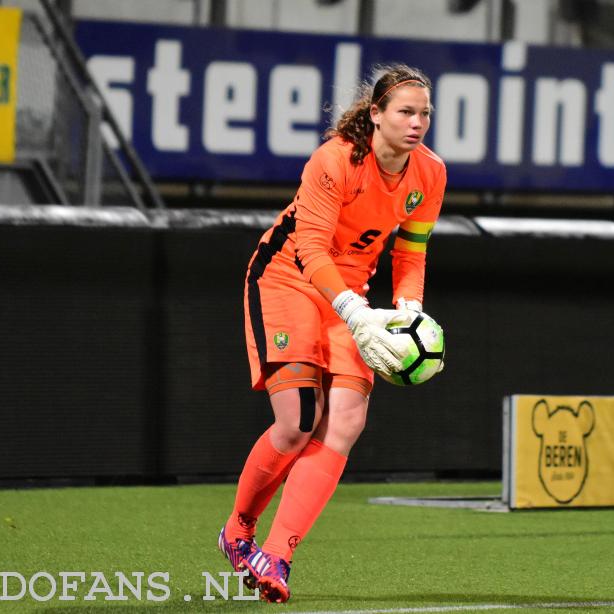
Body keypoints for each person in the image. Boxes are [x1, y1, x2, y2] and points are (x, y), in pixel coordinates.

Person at [217, 63, 447, 603]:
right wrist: (356, 312)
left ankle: (276, 555)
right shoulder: (335, 159)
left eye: (425, 114)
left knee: (345, 420)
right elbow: (309, 249)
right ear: (376, 115)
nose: (417, 123)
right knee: (298, 422)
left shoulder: (430, 173)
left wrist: (407, 313)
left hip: (352, 296)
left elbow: (411, 252)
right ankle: (238, 531)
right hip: (287, 280)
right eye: (406, 112)